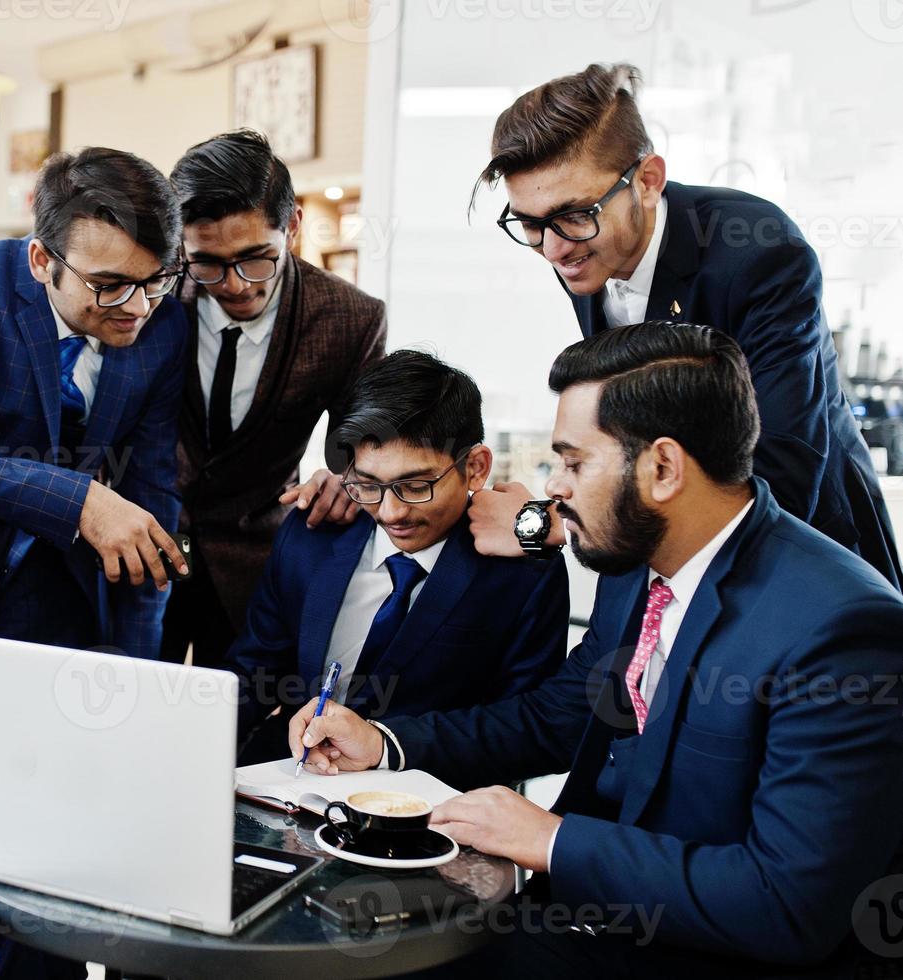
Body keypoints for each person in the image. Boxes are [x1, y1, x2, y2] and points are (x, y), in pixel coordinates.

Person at [290, 323, 903, 976]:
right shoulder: (635, 567)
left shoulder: (841, 629)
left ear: (662, 468)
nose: (552, 488)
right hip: (585, 915)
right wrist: (383, 742)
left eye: (573, 461)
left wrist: (553, 841)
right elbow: (555, 718)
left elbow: (788, 904)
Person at [465, 62, 901, 591]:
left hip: (800, 545)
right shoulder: (583, 250)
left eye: (575, 215)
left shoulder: (760, 253)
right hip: (667, 546)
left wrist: (547, 524)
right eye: (529, 224)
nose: (553, 249)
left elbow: (780, 469)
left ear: (647, 181)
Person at [0, 147, 188, 661]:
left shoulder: (167, 327)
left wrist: (137, 665)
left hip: (80, 589)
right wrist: (81, 500)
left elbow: (152, 489)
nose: (138, 307)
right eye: (108, 285)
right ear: (42, 261)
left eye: (155, 281)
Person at [231, 350, 567, 761]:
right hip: (289, 773)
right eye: (368, 484)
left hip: (431, 796)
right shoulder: (311, 534)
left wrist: (386, 747)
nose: (390, 513)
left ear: (475, 467)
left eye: (414, 486)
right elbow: (252, 674)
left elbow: (529, 727)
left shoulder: (524, 571)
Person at [163, 129, 387, 668]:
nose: (236, 285)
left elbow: (363, 449)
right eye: (209, 263)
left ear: (292, 228)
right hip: (146, 554)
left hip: (254, 570)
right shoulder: (153, 293)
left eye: (256, 258)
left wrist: (349, 477)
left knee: (234, 740)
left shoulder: (351, 319)